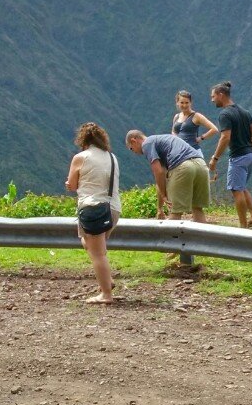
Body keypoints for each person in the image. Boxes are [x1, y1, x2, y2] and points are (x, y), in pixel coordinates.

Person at [65, 122, 121, 304]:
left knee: (97, 254)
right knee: (95, 246)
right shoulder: (112, 157)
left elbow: (72, 185)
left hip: (92, 207)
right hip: (112, 208)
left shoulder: (80, 157)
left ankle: (106, 294)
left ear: (83, 139)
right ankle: (107, 280)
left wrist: (70, 184)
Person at [208, 81, 252, 228]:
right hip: (251, 155)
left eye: (213, 96)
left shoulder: (225, 114)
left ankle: (243, 226)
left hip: (239, 157)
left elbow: (225, 137)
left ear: (221, 95)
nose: (212, 100)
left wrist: (215, 158)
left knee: (236, 190)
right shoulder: (245, 112)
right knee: (242, 186)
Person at [124, 130, 210, 223]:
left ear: (133, 141)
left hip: (183, 166)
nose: (134, 152)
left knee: (175, 212)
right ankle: (201, 238)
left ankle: (168, 238)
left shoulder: (147, 144)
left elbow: (159, 172)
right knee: (197, 208)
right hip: (201, 165)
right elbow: (162, 178)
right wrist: (160, 208)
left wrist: (164, 195)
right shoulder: (162, 140)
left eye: (131, 148)